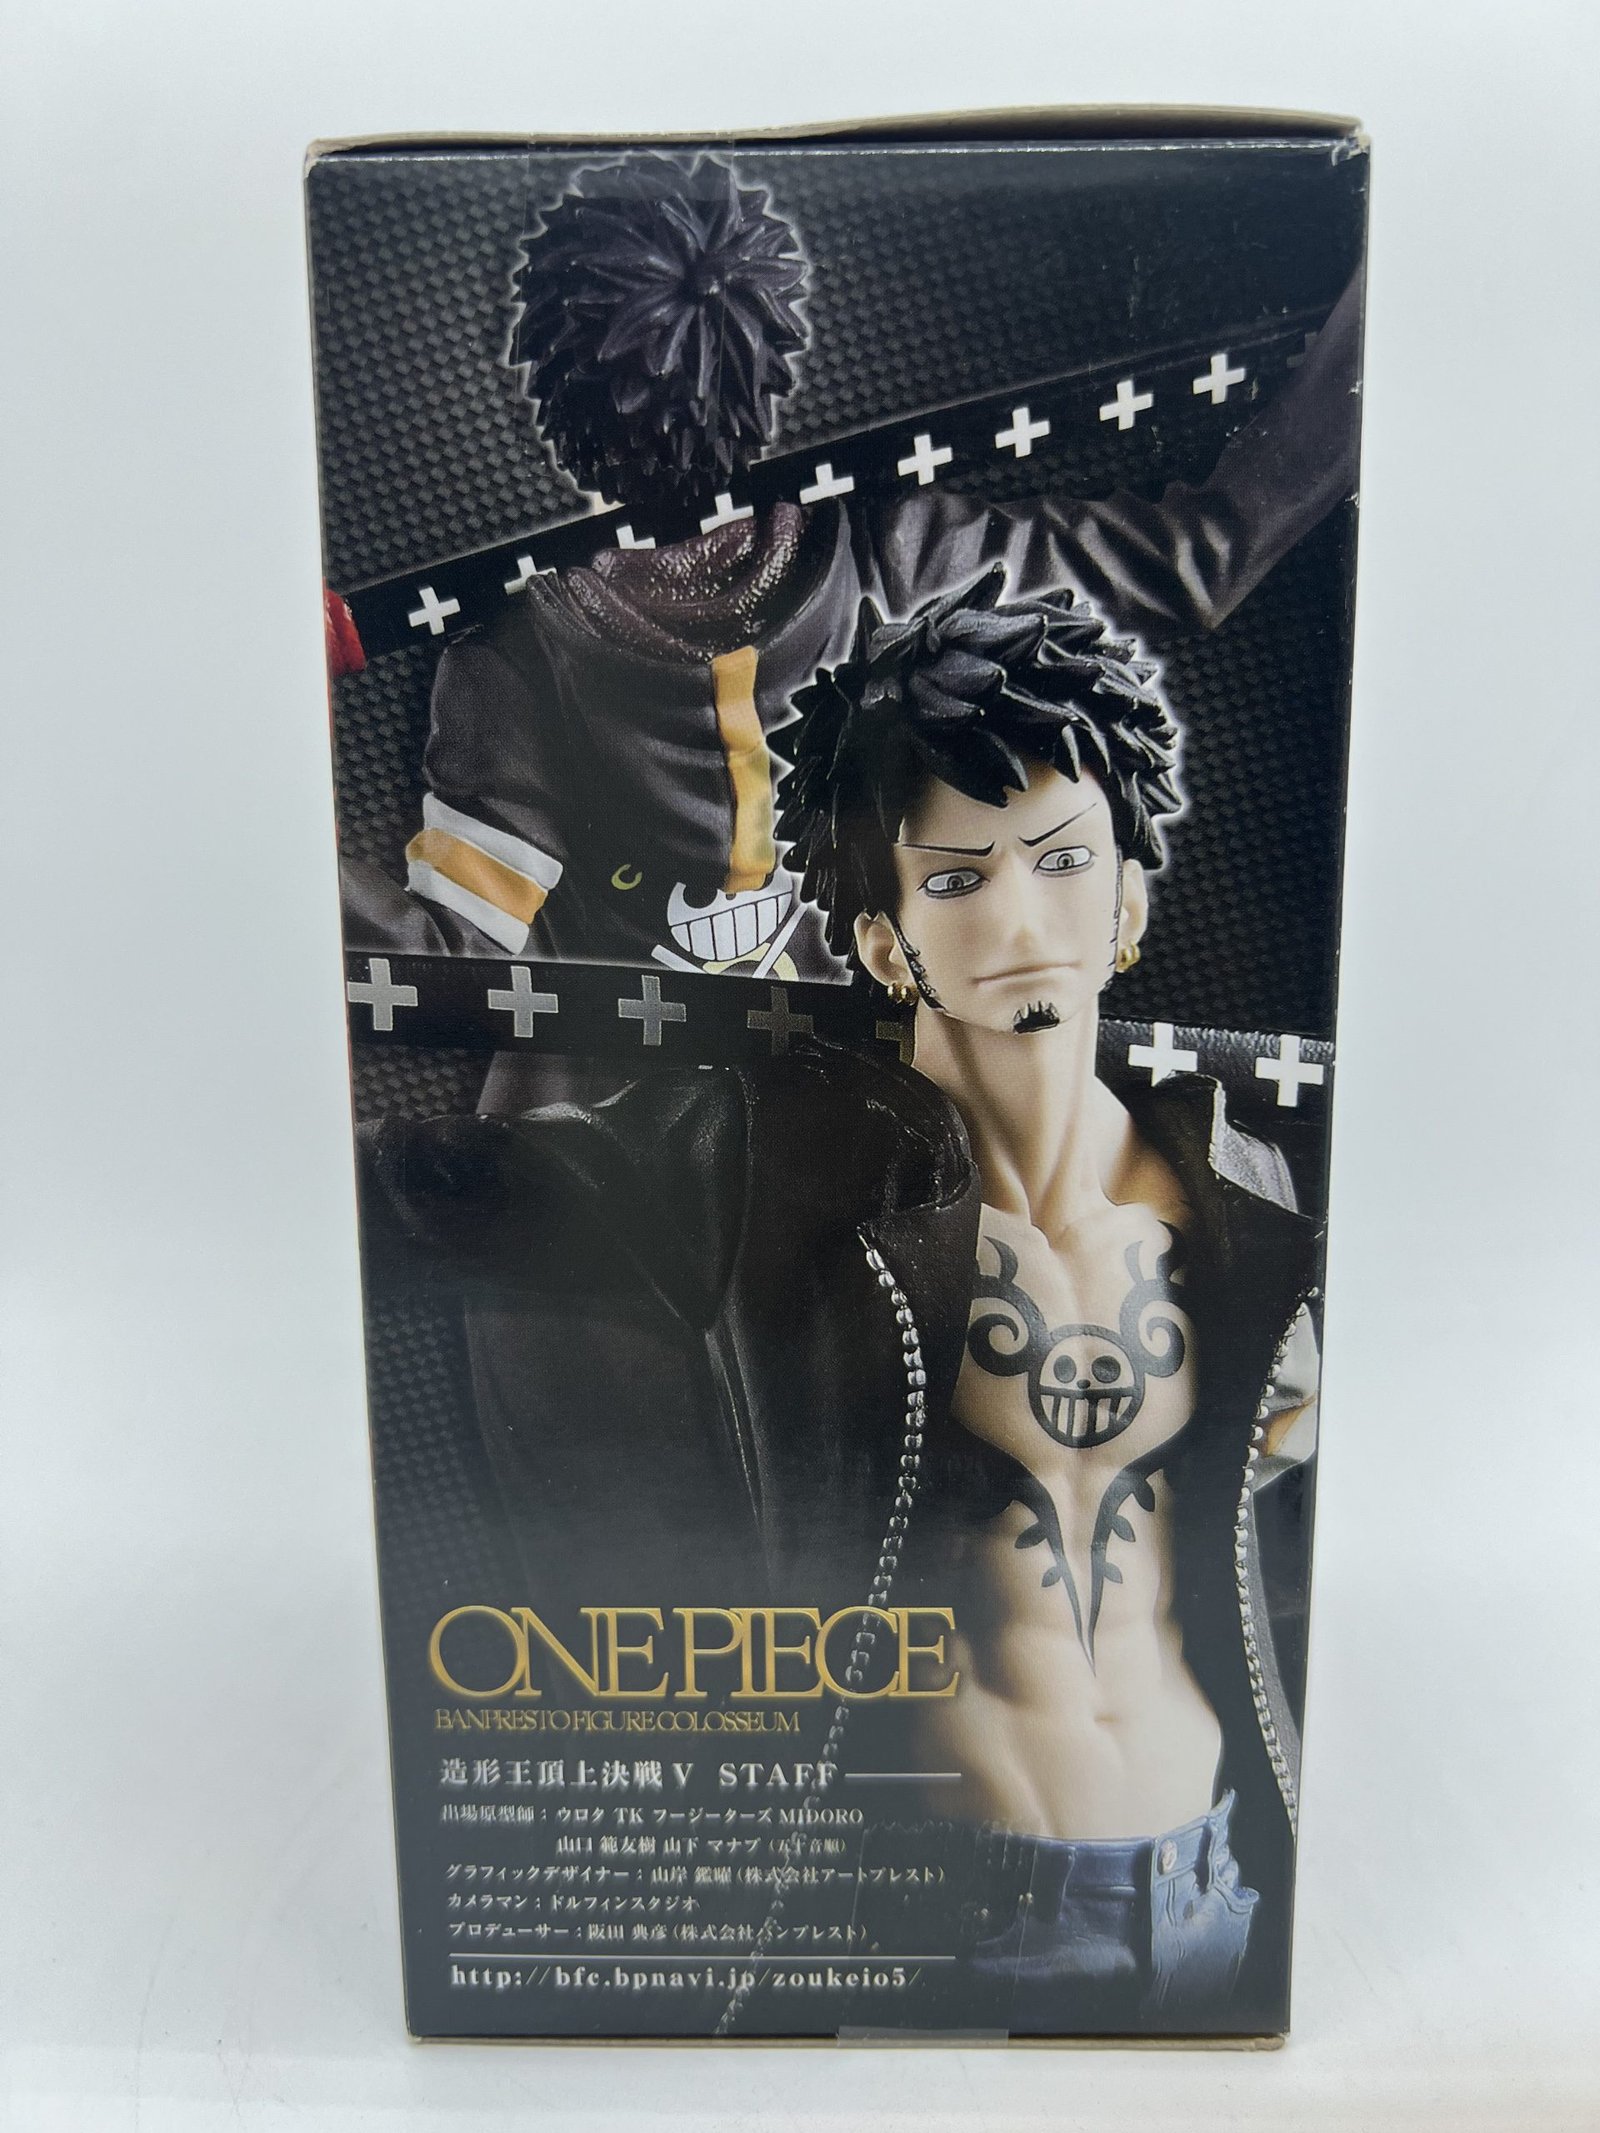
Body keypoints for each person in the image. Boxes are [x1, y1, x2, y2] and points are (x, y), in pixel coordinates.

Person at [356, 567, 1323, 2035]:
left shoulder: (1242, 1193)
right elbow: (418, 1198)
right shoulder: (760, 1163)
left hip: (1219, 1883)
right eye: (958, 879)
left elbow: (1283, 1536)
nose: (1023, 917)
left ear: (1129, 895)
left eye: (1065, 859)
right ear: (881, 940)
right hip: (954, 1907)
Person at [339, 148, 1362, 998]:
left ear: (558, 416)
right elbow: (1199, 556)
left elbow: (449, 956)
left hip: (859, 1130)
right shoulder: (902, 561)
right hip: (642, 1141)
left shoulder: (517, 659)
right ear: (765, 379)